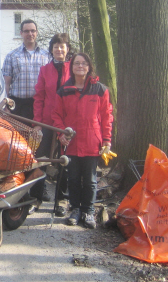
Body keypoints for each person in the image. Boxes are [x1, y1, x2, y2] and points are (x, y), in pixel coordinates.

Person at [52, 53, 113, 229]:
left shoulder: (100, 90)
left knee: (90, 180)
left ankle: (88, 211)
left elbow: (106, 116)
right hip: (71, 143)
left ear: (89, 67)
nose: (80, 66)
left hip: (92, 142)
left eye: (84, 63)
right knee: (72, 178)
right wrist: (60, 133)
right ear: (71, 67)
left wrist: (107, 140)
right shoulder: (64, 90)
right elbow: (56, 114)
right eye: (77, 63)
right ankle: (75, 209)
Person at [2, 19, 51, 202]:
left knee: (41, 149)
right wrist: (7, 104)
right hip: (19, 106)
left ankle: (40, 188)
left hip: (39, 106)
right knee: (19, 148)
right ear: (21, 33)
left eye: (33, 30)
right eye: (26, 31)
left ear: (36, 33)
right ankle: (20, 188)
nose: (30, 34)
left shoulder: (47, 56)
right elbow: (6, 83)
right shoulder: (12, 56)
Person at [30, 33, 72, 215]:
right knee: (41, 159)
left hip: (66, 124)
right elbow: (39, 97)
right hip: (47, 122)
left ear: (67, 49)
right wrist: (37, 123)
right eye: (56, 46)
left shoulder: (74, 69)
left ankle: (62, 201)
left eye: (62, 46)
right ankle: (35, 198)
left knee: (65, 161)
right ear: (51, 50)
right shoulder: (45, 70)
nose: (59, 49)